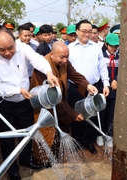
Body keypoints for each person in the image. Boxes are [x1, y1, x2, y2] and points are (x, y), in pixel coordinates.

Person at [0, 29, 59, 180]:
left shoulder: (23, 48)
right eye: (2, 50)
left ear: (15, 41)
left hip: (25, 101)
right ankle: (12, 169)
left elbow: (38, 60)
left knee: (27, 133)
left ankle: (26, 159)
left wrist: (49, 72)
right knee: (7, 138)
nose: (7, 53)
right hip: (4, 103)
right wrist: (17, 90)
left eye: (10, 48)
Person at [30, 41, 98, 163]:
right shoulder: (42, 68)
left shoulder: (64, 62)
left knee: (59, 131)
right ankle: (40, 161)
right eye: (62, 57)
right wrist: (72, 114)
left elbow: (74, 74)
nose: (65, 60)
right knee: (45, 133)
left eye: (67, 56)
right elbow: (52, 98)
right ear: (52, 54)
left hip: (59, 102)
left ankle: (54, 158)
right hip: (45, 105)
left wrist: (87, 85)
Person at [68, 20, 110, 154]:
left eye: (90, 31)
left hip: (94, 86)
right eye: (84, 31)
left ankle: (88, 141)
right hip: (76, 87)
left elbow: (102, 67)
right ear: (77, 31)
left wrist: (106, 84)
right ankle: (77, 140)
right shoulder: (70, 48)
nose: (87, 34)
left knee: (93, 115)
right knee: (76, 114)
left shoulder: (97, 47)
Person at [98, 33, 120, 146]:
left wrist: (116, 79)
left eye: (116, 46)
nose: (114, 48)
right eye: (111, 46)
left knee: (111, 114)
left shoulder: (119, 57)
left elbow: (121, 70)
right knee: (102, 113)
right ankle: (100, 134)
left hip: (114, 91)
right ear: (106, 44)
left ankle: (109, 135)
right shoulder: (101, 56)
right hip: (102, 89)